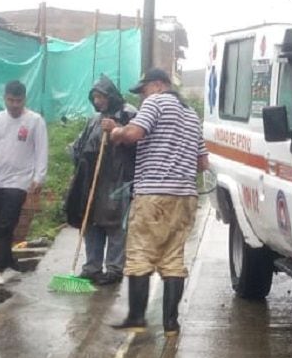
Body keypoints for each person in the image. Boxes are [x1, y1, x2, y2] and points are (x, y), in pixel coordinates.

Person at [106, 68, 208, 336]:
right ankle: (171, 324)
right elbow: (202, 163)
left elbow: (133, 135)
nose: (142, 97)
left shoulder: (157, 102)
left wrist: (115, 132)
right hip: (185, 196)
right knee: (173, 258)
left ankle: (137, 317)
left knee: (140, 253)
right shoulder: (191, 114)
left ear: (160, 85)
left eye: (144, 90)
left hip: (153, 194)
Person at [0, 80, 48, 285]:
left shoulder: (35, 121)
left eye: (18, 100)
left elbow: (41, 150)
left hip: (19, 182)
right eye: (10, 100)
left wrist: (38, 177)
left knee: (6, 225)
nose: (14, 104)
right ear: (4, 98)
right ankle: (11, 265)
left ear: (25, 99)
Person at [65, 75, 136, 286]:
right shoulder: (94, 119)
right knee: (91, 221)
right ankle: (92, 267)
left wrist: (116, 127)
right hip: (93, 180)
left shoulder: (128, 113)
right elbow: (81, 146)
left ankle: (114, 269)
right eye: (94, 97)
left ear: (110, 96)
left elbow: (138, 142)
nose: (97, 101)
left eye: (101, 97)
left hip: (118, 178)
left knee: (115, 223)